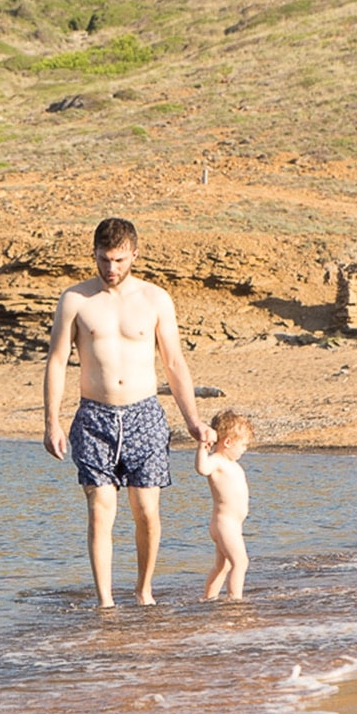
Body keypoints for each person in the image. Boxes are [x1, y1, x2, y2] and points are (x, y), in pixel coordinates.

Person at [44, 217, 216, 607]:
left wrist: (193, 421)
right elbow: (56, 362)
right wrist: (51, 422)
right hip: (94, 418)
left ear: (135, 255)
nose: (111, 269)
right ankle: (105, 602)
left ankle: (143, 591)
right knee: (100, 511)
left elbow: (174, 363)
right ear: (94, 254)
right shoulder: (75, 300)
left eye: (120, 260)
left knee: (146, 511)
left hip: (144, 416)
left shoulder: (156, 299)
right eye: (104, 259)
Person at [196, 409, 254, 601]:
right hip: (224, 524)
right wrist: (203, 447)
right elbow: (202, 469)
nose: (245, 449)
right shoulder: (217, 461)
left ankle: (207, 598)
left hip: (232, 525)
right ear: (228, 442)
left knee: (223, 565)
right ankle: (234, 600)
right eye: (243, 445)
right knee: (241, 562)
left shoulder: (232, 463)